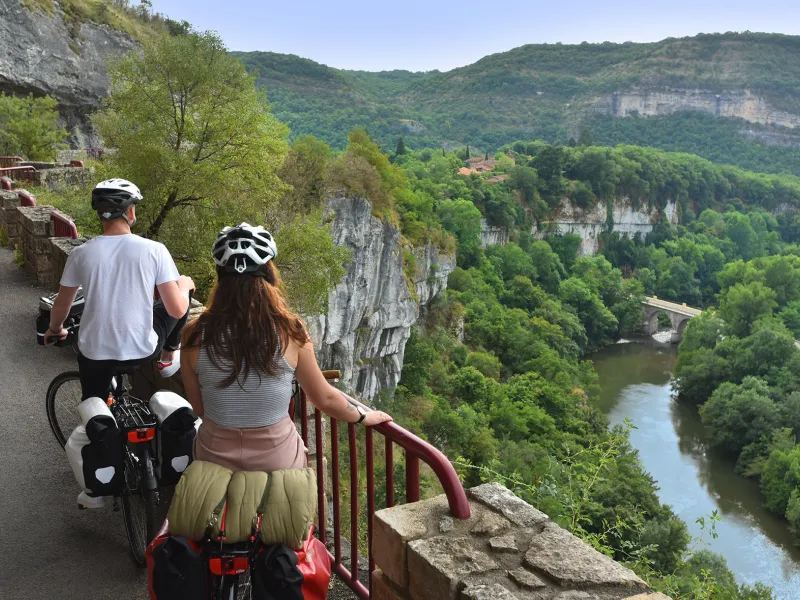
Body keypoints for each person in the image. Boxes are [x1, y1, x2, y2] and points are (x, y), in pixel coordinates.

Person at [180, 223, 392, 472]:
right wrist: (363, 416)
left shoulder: (193, 334)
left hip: (214, 459)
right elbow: (324, 398)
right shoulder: (290, 331)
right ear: (269, 274)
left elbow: (200, 408)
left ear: (220, 276)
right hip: (276, 460)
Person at [46, 178, 195, 402]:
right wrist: (184, 287)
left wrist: (55, 329)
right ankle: (168, 357)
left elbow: (62, 304)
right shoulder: (155, 250)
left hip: (94, 353)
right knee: (181, 290)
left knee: (93, 406)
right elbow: (176, 310)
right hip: (141, 350)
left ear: (100, 215)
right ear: (131, 211)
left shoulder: (80, 253)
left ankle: (96, 414)